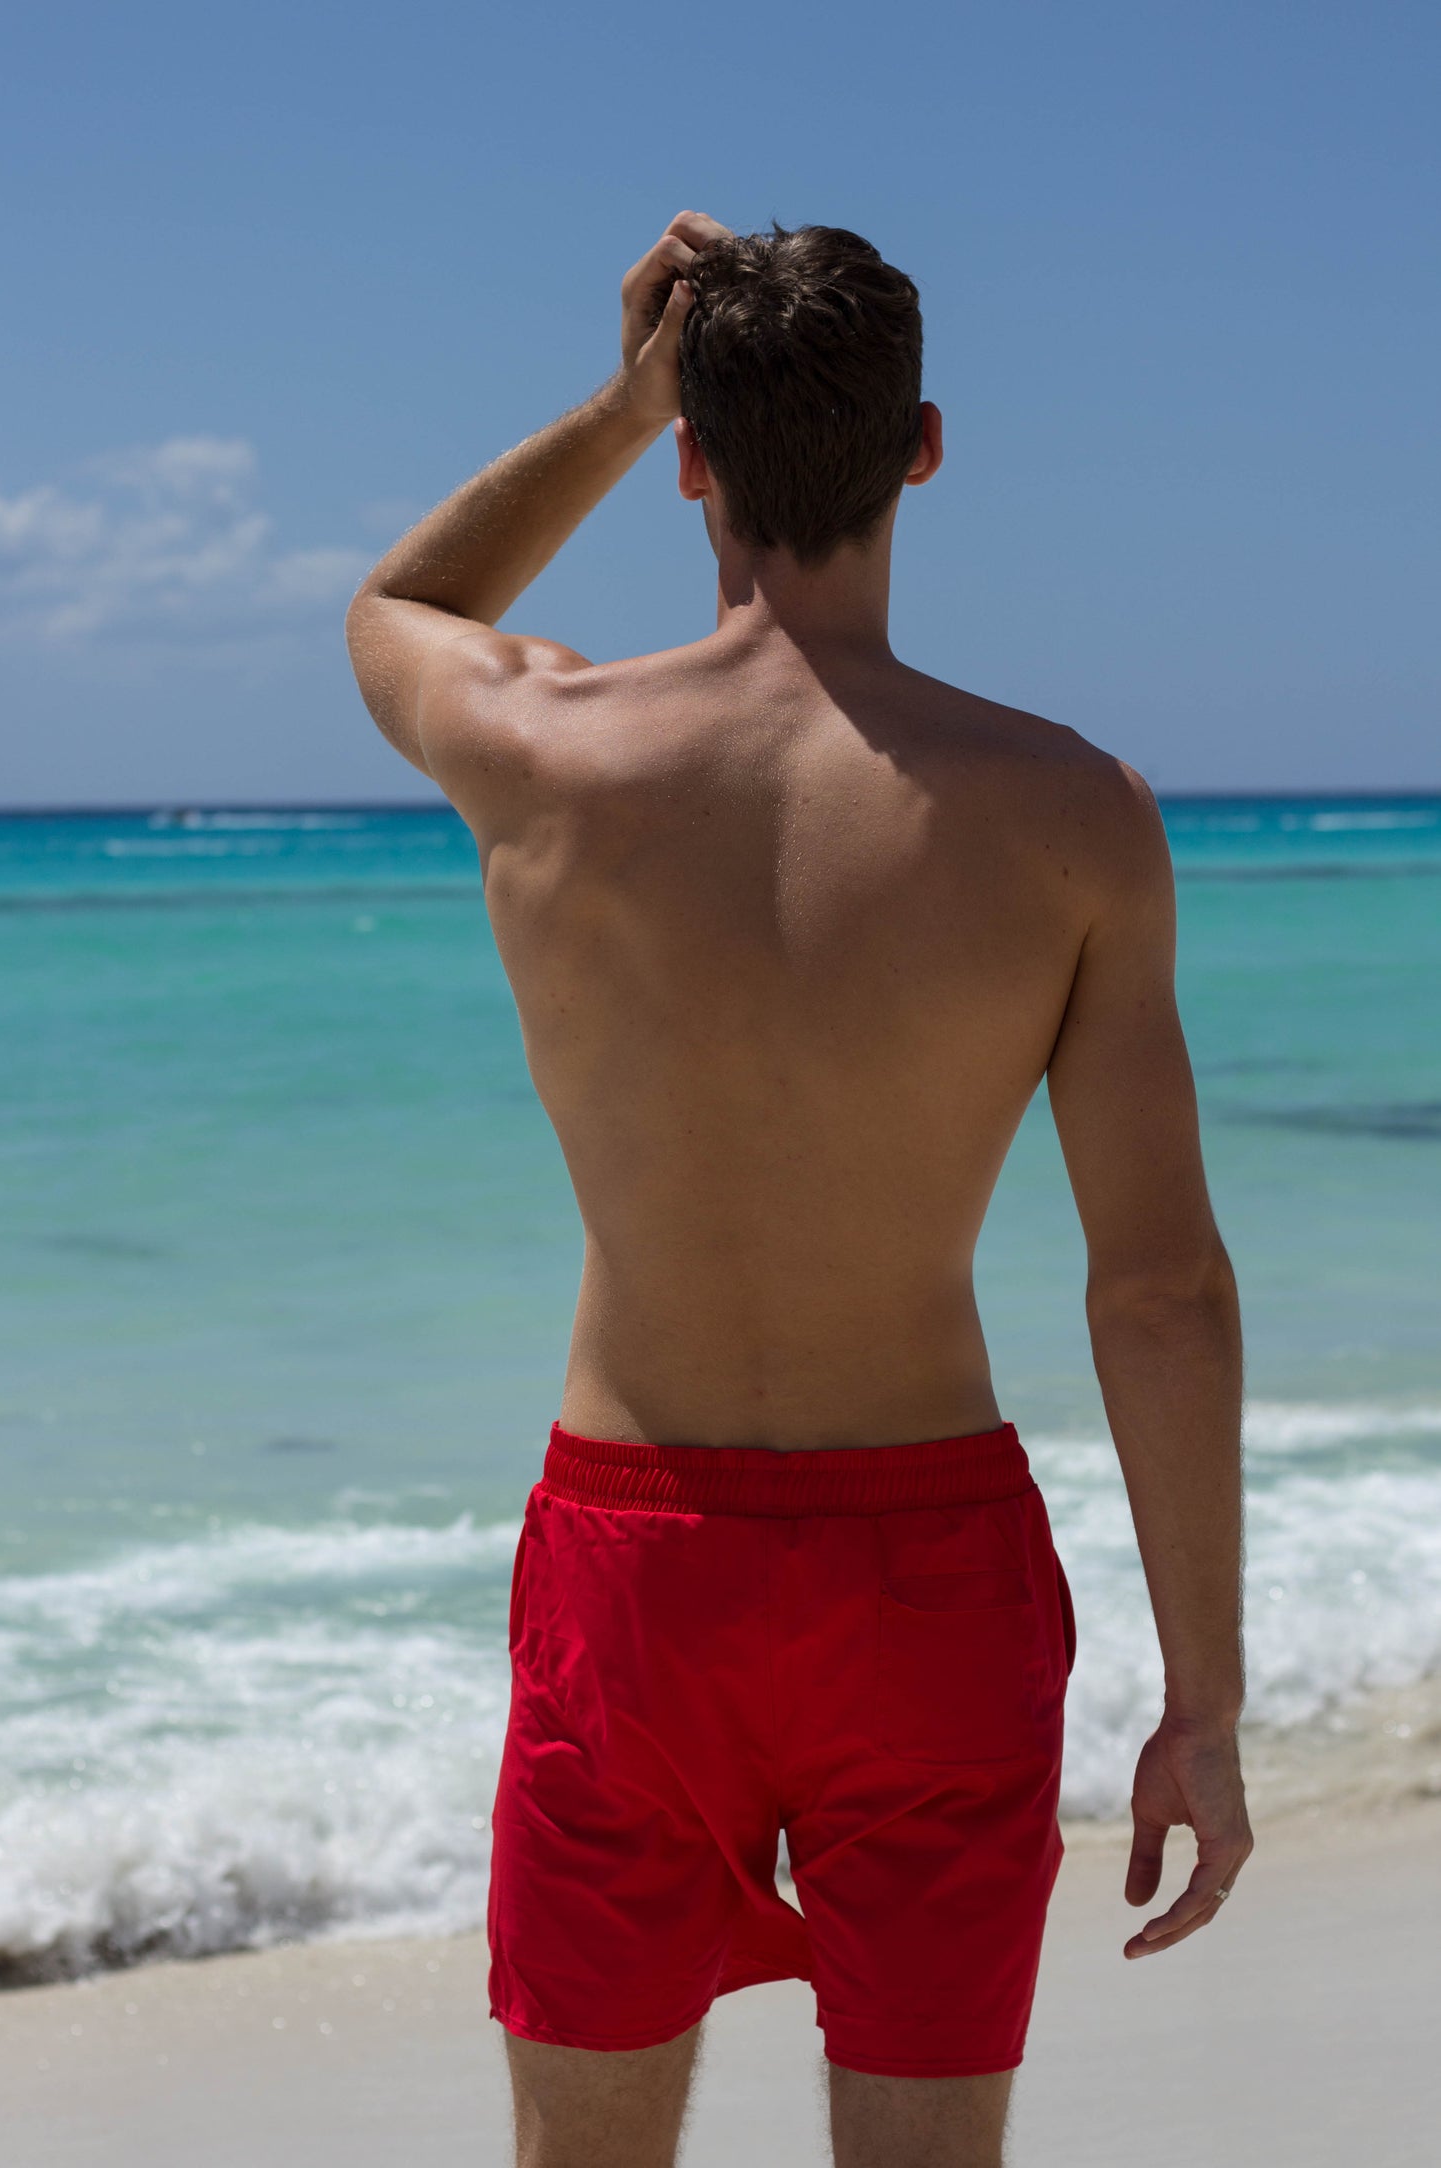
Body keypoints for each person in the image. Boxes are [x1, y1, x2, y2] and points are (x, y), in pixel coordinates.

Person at [345, 211, 1253, 2168]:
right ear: (923, 448)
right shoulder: (1070, 815)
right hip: (927, 1573)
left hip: (636, 1562)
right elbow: (1160, 1289)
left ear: (696, 458)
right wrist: (1206, 1697)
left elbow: (390, 607)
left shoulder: (546, 749)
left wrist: (610, 402)